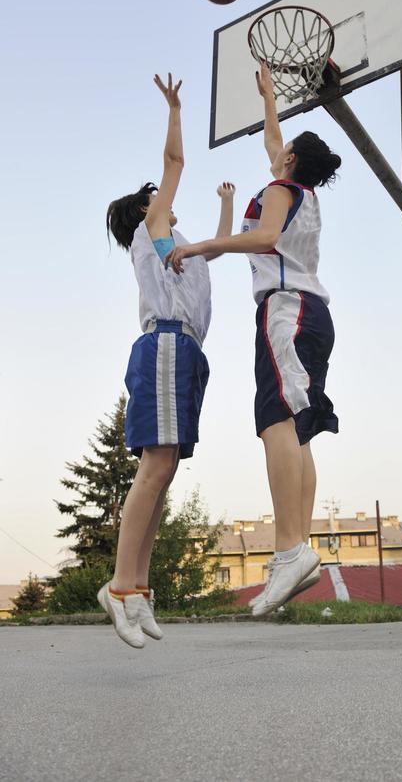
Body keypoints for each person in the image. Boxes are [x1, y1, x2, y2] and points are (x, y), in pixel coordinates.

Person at [166, 63, 341, 616]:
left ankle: (290, 548)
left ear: (291, 161)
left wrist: (197, 249)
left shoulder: (279, 191)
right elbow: (273, 142)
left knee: (274, 424)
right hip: (310, 314)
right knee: (297, 429)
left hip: (285, 313)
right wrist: (269, 99)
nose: (277, 148)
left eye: (284, 148)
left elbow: (264, 236)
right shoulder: (301, 190)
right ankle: (297, 546)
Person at [101, 73, 235, 647]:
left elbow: (221, 249)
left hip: (189, 354)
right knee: (154, 467)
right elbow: (175, 161)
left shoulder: (182, 252)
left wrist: (227, 208)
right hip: (163, 345)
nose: (167, 199)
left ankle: (140, 587)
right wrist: (176, 109)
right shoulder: (148, 233)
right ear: (146, 210)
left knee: (166, 471)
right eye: (157, 196)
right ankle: (120, 587)